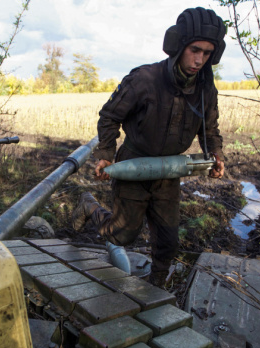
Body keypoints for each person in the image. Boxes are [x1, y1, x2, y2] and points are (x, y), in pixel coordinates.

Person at [72, 7, 226, 287]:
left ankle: (156, 288)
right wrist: (106, 154)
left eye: (206, 53)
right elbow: (109, 116)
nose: (199, 60)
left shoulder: (205, 89)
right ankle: (88, 206)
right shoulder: (145, 79)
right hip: (135, 162)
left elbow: (210, 127)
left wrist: (216, 154)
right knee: (122, 235)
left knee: (168, 241)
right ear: (178, 46)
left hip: (169, 170)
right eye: (194, 50)